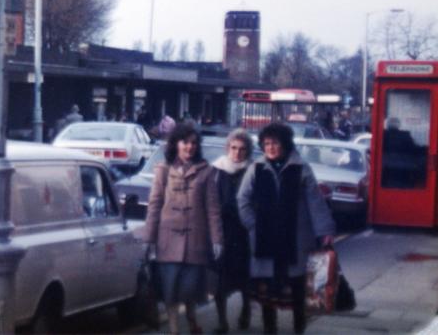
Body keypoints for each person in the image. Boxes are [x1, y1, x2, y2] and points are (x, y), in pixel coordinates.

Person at [237, 123, 335, 335]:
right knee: (267, 290)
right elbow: (242, 199)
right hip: (265, 238)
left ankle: (299, 327)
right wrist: (253, 225)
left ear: (285, 144)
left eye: (275, 143)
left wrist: (324, 231)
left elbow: (315, 202)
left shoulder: (301, 168)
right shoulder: (256, 168)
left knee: (297, 288)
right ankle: (269, 329)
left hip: (295, 239)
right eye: (266, 143)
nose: (270, 148)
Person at [143, 123, 223, 335]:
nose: (190, 147)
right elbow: (154, 205)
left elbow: (213, 209)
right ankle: (174, 329)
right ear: (176, 144)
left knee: (190, 289)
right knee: (170, 289)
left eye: (194, 143)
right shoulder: (163, 169)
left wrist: (216, 239)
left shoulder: (206, 172)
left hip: (196, 241)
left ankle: (191, 318)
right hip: (167, 240)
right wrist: (149, 237)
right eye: (185, 142)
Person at [213, 129, 255, 334]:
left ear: (247, 151)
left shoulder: (253, 171)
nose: (237, 153)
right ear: (228, 148)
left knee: (246, 278)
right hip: (224, 232)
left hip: (245, 233)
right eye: (234, 148)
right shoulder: (217, 170)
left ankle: (246, 310)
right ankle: (222, 322)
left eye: (242, 149)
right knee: (220, 280)